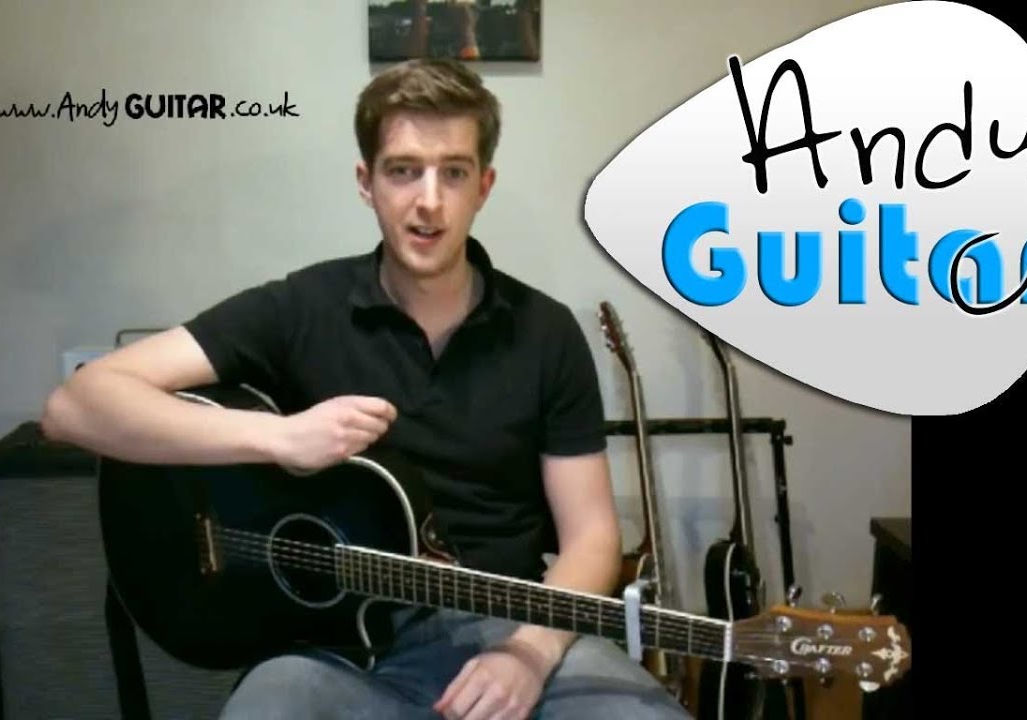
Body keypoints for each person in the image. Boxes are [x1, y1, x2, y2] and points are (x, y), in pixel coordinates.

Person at [40, 58, 693, 720]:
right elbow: (76, 407)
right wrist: (278, 437)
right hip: (338, 651)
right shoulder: (301, 308)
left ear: (483, 187)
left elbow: (592, 537)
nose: (429, 201)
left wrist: (530, 653)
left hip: (509, 626)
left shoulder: (545, 332)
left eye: (454, 172)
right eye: (403, 170)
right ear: (366, 183)